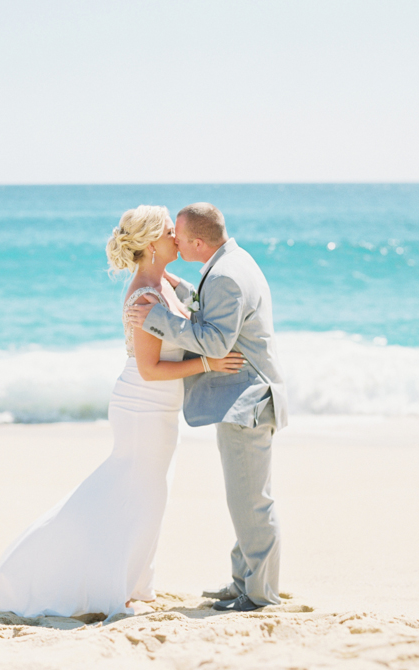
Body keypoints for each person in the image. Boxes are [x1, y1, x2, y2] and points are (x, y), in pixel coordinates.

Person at [0, 205, 244, 621]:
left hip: (159, 406)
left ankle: (133, 582)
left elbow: (192, 303)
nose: (177, 236)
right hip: (142, 404)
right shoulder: (145, 295)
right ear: (150, 243)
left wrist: (180, 283)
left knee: (149, 494)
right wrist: (209, 364)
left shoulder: (163, 283)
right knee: (134, 492)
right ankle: (107, 588)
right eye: (168, 232)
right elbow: (149, 368)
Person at [127, 202, 287, 612]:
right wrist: (177, 288)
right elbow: (209, 305)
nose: (174, 241)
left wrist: (157, 319)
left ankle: (260, 595)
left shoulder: (228, 275)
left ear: (197, 241)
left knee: (251, 500)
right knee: (243, 497)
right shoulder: (232, 261)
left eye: (178, 235)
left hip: (247, 402)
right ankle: (243, 582)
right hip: (244, 400)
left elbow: (215, 342)